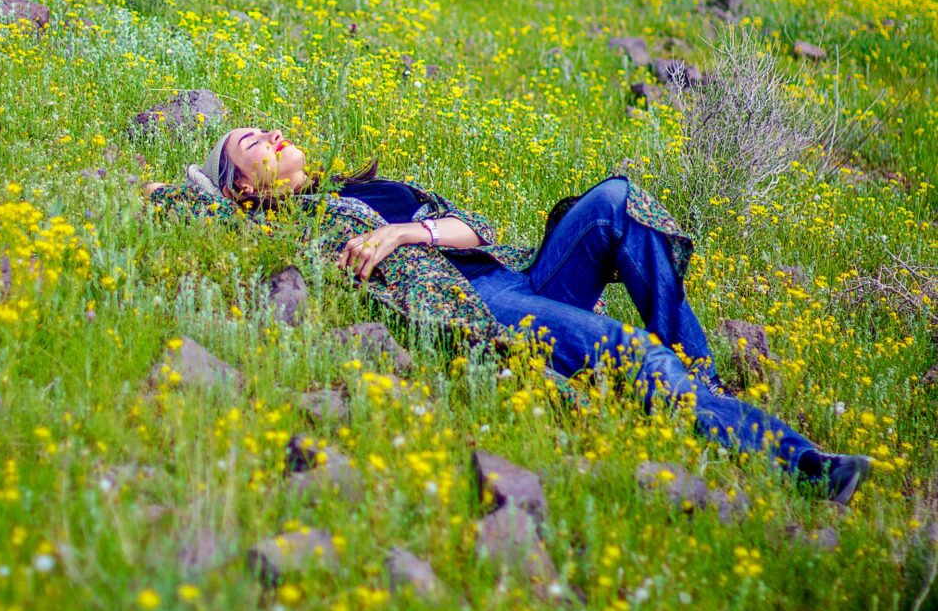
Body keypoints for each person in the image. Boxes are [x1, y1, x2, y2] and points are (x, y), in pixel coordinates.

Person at [146, 125, 871, 505]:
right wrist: (184, 186)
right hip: (482, 308)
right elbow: (176, 198)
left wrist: (402, 231)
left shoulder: (373, 192)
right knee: (625, 349)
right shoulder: (287, 221)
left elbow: (473, 229)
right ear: (244, 190)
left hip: (516, 276)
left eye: (267, 130)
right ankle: (800, 466)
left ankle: (704, 387)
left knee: (616, 201)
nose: (272, 137)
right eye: (252, 145)